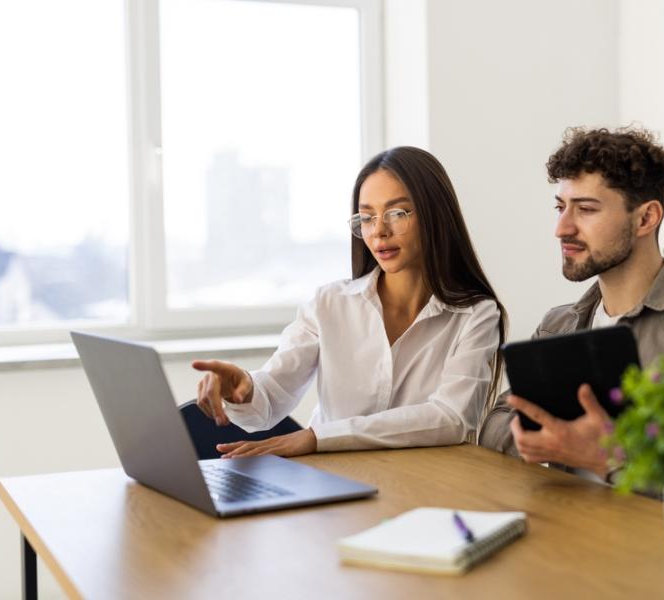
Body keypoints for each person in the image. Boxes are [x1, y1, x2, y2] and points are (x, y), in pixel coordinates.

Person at [479, 126, 664, 481]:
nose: (562, 228)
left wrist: (612, 456)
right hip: (568, 525)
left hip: (660, 535)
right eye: (560, 207)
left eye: (585, 209)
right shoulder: (559, 326)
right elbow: (494, 423)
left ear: (646, 218)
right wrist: (543, 437)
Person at [192, 146, 506, 458]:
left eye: (397, 213)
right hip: (336, 479)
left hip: (424, 485)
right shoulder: (329, 304)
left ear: (435, 215)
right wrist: (243, 388)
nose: (379, 231)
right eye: (367, 218)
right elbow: (271, 398)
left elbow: (450, 418)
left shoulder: (475, 315)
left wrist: (320, 437)